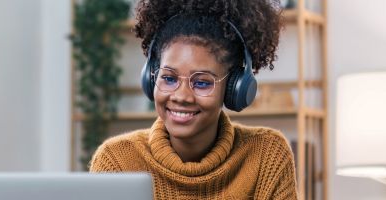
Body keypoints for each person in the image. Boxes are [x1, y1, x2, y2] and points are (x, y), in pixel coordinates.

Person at [89, 0, 297, 199]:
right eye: (169, 78)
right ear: (151, 77)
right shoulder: (116, 162)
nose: (182, 96)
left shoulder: (267, 156)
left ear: (234, 87)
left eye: (202, 83)